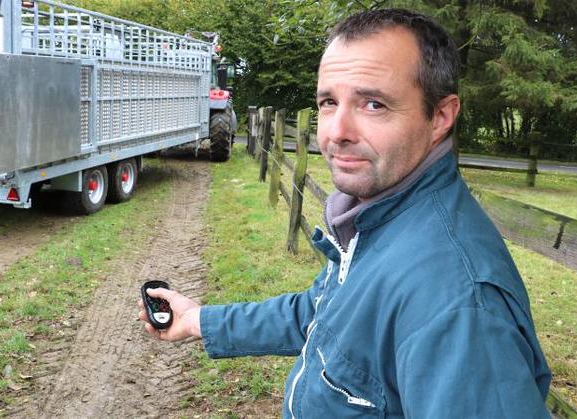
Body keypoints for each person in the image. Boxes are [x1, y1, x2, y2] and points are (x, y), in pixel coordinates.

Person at [139, 8, 551, 418]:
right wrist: (199, 320)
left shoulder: (459, 306)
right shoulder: (383, 216)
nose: (336, 131)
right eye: (329, 102)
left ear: (440, 116)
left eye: (373, 104)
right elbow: (320, 312)